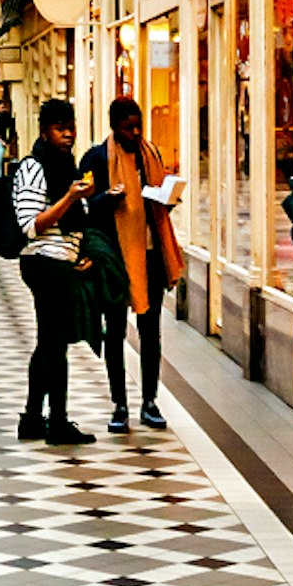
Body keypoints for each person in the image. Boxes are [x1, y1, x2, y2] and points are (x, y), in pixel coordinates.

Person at [79, 96, 182, 433]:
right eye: (128, 127)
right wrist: (106, 199)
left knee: (151, 330)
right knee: (116, 332)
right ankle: (119, 404)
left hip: (150, 255)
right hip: (115, 255)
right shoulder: (97, 158)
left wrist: (167, 198)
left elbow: (157, 201)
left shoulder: (150, 154)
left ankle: (149, 402)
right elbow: (82, 207)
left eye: (138, 126)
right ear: (114, 126)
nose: (135, 132)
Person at [11, 96, 95, 445]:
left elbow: (78, 220)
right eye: (61, 129)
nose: (68, 135)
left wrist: (83, 249)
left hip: (62, 261)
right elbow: (31, 225)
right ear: (45, 131)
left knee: (49, 343)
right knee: (55, 344)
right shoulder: (33, 168)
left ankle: (33, 419)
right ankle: (56, 422)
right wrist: (71, 198)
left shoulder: (66, 165)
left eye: (71, 128)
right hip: (43, 262)